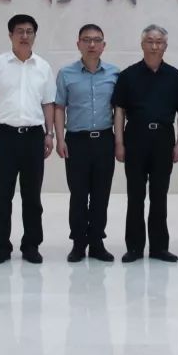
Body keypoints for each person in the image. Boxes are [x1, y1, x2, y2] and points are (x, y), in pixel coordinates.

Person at [0, 14, 56, 265]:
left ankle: (31, 245)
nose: (24, 36)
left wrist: (49, 134)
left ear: (34, 35)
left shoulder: (43, 67)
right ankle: (1, 247)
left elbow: (48, 103)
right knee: (3, 196)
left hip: (33, 137)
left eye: (29, 31)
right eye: (19, 31)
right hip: (4, 136)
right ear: (10, 35)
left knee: (32, 196)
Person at [112, 24, 178, 263]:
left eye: (159, 42)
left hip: (163, 140)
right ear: (142, 44)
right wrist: (119, 142)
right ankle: (134, 247)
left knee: (159, 195)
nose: (154, 46)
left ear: (165, 46)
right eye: (150, 41)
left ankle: (159, 247)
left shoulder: (174, 76)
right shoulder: (128, 75)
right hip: (135, 138)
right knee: (135, 195)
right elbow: (119, 110)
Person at [54, 24, 121, 263]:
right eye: (86, 40)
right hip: (76, 142)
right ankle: (78, 243)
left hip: (104, 140)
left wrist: (119, 140)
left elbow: (119, 110)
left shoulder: (114, 74)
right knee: (79, 194)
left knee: (101, 194)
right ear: (78, 44)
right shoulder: (66, 74)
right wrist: (60, 138)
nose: (91, 44)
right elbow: (59, 107)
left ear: (104, 45)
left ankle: (97, 242)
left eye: (96, 40)